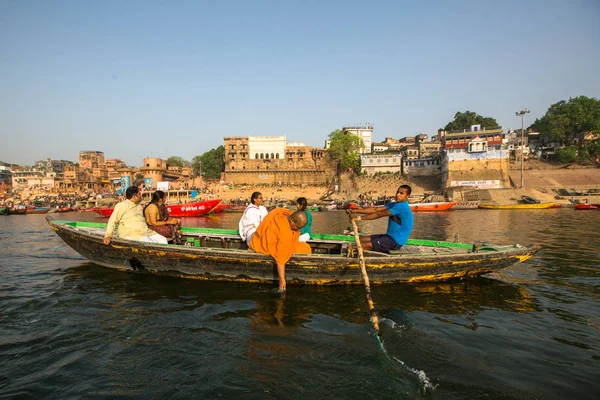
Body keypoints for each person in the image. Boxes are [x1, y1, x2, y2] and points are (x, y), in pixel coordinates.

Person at [249, 208, 312, 292]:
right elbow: (280, 261)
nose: (298, 230)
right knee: (306, 248)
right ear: (292, 220)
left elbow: (275, 211)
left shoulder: (283, 213)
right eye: (297, 227)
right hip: (262, 247)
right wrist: (282, 279)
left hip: (255, 240)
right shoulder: (285, 234)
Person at [349, 185, 414, 253]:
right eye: (397, 192)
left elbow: (380, 214)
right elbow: (376, 209)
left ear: (407, 196)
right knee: (360, 240)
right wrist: (355, 211)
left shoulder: (402, 206)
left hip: (395, 241)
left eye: (401, 193)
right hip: (389, 236)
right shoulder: (393, 204)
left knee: (360, 246)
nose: (398, 195)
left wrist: (358, 218)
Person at [103, 186, 168, 245]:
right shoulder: (122, 205)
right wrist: (108, 235)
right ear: (134, 196)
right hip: (131, 233)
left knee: (163, 240)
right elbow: (112, 220)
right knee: (149, 242)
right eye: (139, 194)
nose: (141, 196)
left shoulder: (139, 205)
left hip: (145, 232)